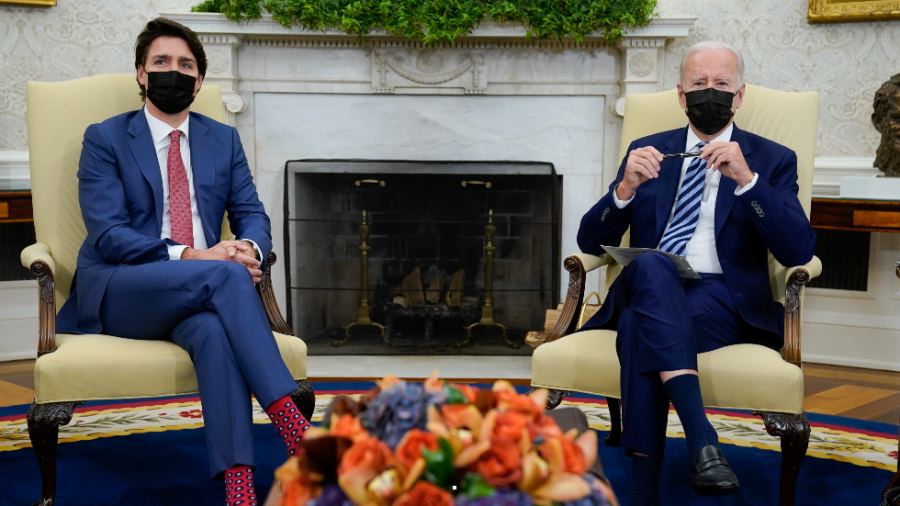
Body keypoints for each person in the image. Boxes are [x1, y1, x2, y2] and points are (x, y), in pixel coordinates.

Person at [56, 17, 309, 506]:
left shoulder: (223, 139)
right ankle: (295, 429)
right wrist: (198, 255)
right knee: (221, 275)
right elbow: (108, 235)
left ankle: (239, 487)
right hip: (122, 288)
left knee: (214, 330)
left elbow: (251, 211)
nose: (173, 71)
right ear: (141, 74)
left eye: (185, 65)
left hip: (199, 289)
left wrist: (248, 249)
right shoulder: (106, 138)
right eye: (161, 62)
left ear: (199, 80)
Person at [576, 41, 816, 505]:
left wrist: (748, 182)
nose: (711, 93)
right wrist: (624, 189)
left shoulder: (772, 159)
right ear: (682, 96)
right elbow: (589, 241)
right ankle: (702, 438)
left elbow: (798, 248)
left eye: (721, 84)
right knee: (651, 264)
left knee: (635, 328)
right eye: (699, 85)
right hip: (646, 281)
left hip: (721, 298)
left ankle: (643, 494)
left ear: (740, 95)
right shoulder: (647, 152)